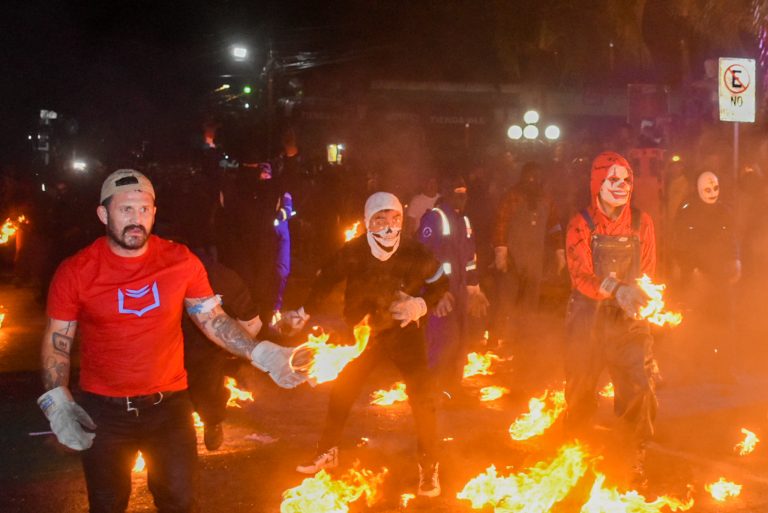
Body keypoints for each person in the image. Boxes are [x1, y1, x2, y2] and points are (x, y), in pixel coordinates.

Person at [38, 169, 306, 512]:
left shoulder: (180, 261)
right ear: (103, 214)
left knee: (180, 503)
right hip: (104, 413)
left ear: (154, 212)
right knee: (106, 505)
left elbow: (213, 320)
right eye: (126, 209)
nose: (136, 220)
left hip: (168, 410)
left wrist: (263, 354)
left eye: (144, 209)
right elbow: (57, 340)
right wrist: (57, 401)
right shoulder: (76, 271)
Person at [285, 192, 450, 498]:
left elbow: (441, 282)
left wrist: (420, 305)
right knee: (343, 391)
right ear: (367, 222)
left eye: (395, 218)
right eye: (380, 219)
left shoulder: (414, 252)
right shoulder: (354, 252)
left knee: (423, 397)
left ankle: (429, 464)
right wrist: (304, 312)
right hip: (364, 335)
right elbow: (326, 280)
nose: (388, 226)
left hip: (404, 333)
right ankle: (327, 451)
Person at [563, 152, 657, 488]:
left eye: (626, 179)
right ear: (597, 183)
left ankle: (631, 458)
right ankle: (573, 458)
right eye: (612, 179)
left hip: (627, 320)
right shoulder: (581, 223)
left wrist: (639, 299)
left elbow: (648, 271)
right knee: (579, 390)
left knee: (639, 388)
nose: (621, 186)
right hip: (588, 317)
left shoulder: (641, 222)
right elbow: (580, 275)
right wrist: (616, 289)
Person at [418, 175, 489, 399]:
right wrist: (437, 292)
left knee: (460, 340)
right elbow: (424, 259)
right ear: (447, 194)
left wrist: (474, 288)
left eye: (465, 194)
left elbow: (469, 258)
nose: (463, 198)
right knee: (442, 341)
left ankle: (452, 390)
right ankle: (431, 390)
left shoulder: (464, 221)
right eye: (458, 193)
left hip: (460, 291)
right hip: (441, 292)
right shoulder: (433, 218)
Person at [672, 171, 740, 383]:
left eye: (715, 188)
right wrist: (690, 271)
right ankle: (689, 371)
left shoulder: (724, 211)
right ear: (699, 190)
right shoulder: (687, 212)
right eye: (707, 189)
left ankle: (724, 370)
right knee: (694, 325)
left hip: (720, 277)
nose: (712, 193)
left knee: (723, 323)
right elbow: (681, 245)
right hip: (695, 278)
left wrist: (736, 260)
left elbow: (732, 238)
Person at [492, 162, 564, 346]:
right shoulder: (512, 197)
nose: (534, 181)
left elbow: (555, 226)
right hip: (512, 260)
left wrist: (559, 251)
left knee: (530, 302)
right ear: (523, 177)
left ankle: (524, 341)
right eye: (530, 177)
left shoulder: (546, 200)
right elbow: (501, 223)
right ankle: (498, 340)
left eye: (537, 177)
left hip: (534, 260)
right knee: (506, 300)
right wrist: (500, 251)